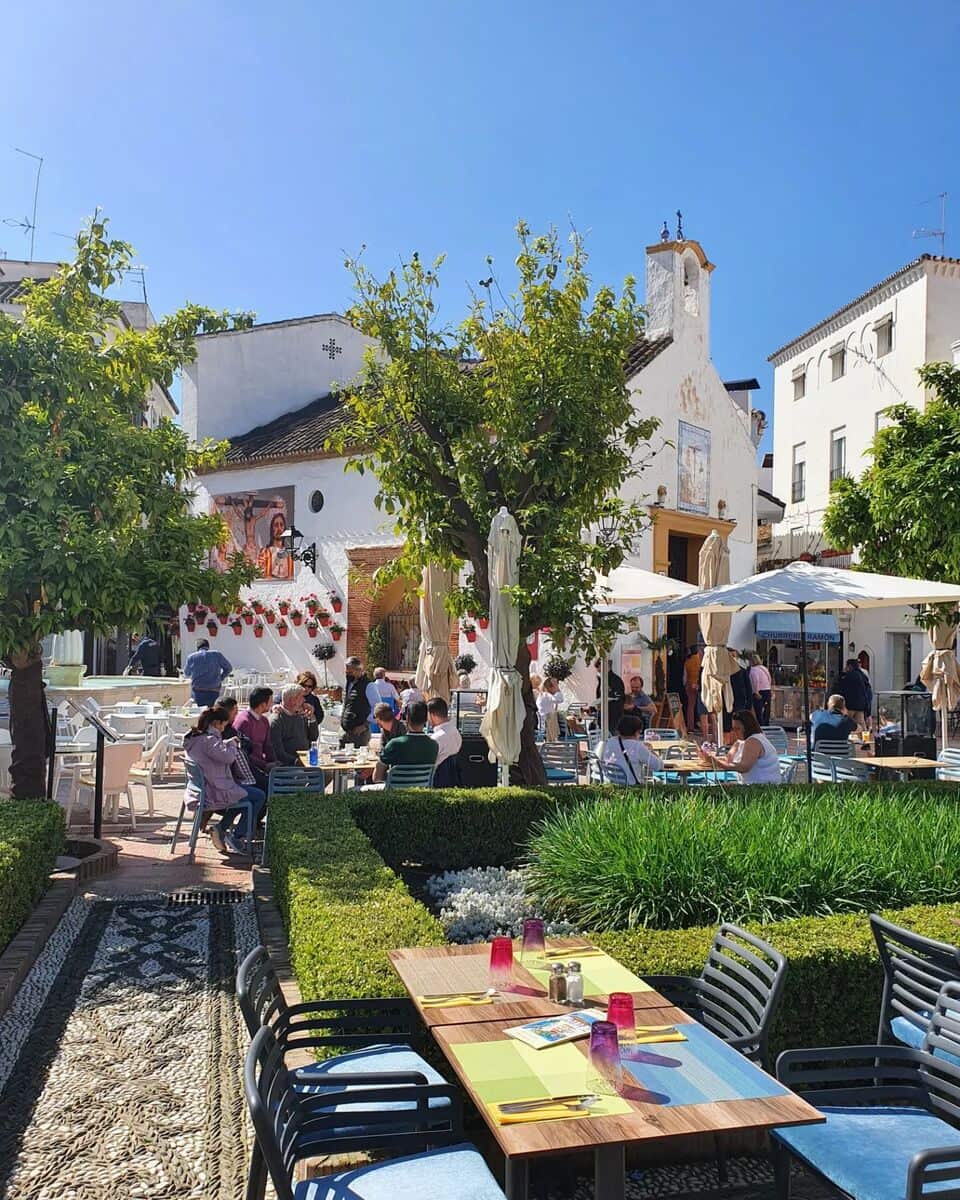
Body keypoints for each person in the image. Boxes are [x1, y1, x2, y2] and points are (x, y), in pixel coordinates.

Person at [183, 705, 265, 855]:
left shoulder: (195, 738)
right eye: (223, 725)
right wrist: (233, 745)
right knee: (258, 796)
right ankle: (237, 836)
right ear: (216, 724)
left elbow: (214, 752)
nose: (223, 729)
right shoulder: (209, 740)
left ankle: (222, 828)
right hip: (215, 791)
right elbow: (228, 758)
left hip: (200, 789)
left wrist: (226, 743)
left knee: (245, 796)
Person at [701, 709, 781, 784]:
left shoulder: (754, 741)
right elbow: (728, 759)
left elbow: (744, 767)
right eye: (733, 729)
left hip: (762, 785)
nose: (735, 732)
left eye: (738, 729)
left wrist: (716, 762)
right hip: (749, 784)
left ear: (747, 727)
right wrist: (710, 757)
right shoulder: (740, 742)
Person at [371, 700, 438, 783]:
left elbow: (376, 777)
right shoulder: (434, 745)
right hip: (422, 788)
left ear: (407, 719)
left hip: (396, 789)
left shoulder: (394, 744)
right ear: (426, 720)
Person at [599, 715, 663, 784]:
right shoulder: (637, 746)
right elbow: (658, 766)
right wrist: (650, 750)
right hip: (631, 786)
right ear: (636, 732)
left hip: (612, 783)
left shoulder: (610, 741)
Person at [234, 686, 276, 790]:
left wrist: (274, 762)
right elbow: (244, 753)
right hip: (249, 769)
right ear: (263, 705)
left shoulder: (264, 720)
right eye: (270, 701)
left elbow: (268, 746)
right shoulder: (244, 722)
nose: (272, 704)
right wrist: (265, 765)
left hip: (262, 766)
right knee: (272, 785)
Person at [269, 684, 312, 766]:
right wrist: (297, 762)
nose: (304, 700)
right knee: (322, 775)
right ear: (292, 700)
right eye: (301, 697)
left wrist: (312, 717)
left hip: (304, 760)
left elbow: (313, 736)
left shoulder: (299, 716)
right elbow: (278, 753)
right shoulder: (276, 720)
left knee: (327, 774)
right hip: (288, 766)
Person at [182, 638, 232, 707]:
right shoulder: (217, 655)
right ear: (208, 646)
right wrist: (221, 678)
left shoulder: (191, 657)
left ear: (197, 648)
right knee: (212, 712)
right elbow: (229, 668)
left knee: (199, 713)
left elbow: (186, 673)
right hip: (214, 690)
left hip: (198, 691)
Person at [427, 696, 463, 786]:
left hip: (435, 781)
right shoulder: (456, 732)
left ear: (432, 715)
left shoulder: (436, 739)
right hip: (453, 781)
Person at [341, 656, 373, 748]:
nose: (348, 674)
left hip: (359, 732)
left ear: (359, 670)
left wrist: (364, 725)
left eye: (350, 672)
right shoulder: (349, 683)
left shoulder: (369, 685)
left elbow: (377, 707)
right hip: (345, 730)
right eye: (347, 672)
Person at [833, 658, 871, 729]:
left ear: (849, 666)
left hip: (850, 705)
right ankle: (864, 739)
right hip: (860, 705)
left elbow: (841, 688)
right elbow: (868, 691)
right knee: (861, 724)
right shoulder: (863, 676)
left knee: (845, 724)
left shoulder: (848, 676)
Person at [748, 653, 773, 726]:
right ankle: (766, 723)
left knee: (758, 710)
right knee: (767, 709)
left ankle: (760, 725)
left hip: (760, 691)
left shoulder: (753, 670)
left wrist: (756, 692)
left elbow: (755, 681)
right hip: (767, 689)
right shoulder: (764, 668)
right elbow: (769, 678)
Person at [683, 645, 703, 731]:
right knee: (703, 707)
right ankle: (702, 725)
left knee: (690, 707)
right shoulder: (701, 660)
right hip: (699, 685)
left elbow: (684, 676)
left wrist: (685, 685)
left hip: (690, 685)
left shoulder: (687, 661)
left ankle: (690, 726)